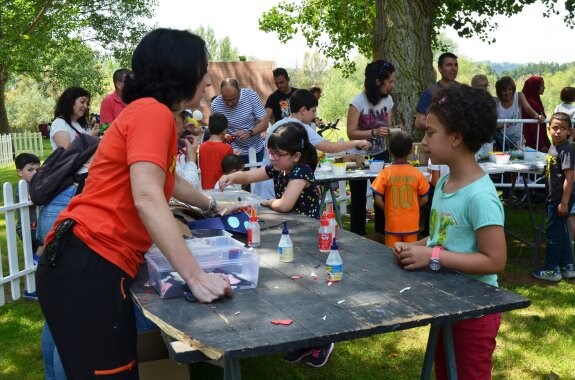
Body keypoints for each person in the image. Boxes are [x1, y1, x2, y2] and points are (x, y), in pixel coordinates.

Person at [36, 29, 235, 379]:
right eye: (203, 69)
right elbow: (146, 195)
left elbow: (165, 182)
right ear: (181, 71)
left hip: (79, 261)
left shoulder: (152, 114)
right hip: (89, 265)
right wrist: (196, 277)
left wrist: (210, 205)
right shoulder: (152, 114)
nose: (207, 80)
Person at [394, 85, 507, 380]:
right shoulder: (444, 185)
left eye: (431, 133)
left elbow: (494, 261)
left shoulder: (480, 197)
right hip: (446, 302)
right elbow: (442, 238)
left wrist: (432, 255)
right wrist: (415, 248)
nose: (424, 141)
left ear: (456, 137)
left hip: (475, 312)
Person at [218, 122, 334, 367]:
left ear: (296, 156)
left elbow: (285, 205)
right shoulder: (279, 167)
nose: (272, 158)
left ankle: (323, 338)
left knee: (312, 289)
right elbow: (250, 175)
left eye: (277, 154)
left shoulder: (301, 172)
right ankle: (303, 338)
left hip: (311, 237)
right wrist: (232, 177)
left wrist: (264, 201)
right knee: (296, 288)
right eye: (270, 153)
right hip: (291, 235)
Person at [254, 89, 370, 199]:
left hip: (264, 183)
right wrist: (357, 142)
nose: (314, 115)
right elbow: (330, 147)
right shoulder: (300, 128)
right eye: (313, 111)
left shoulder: (278, 124)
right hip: (275, 186)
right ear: (303, 110)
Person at [346, 59, 397, 236]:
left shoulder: (388, 100)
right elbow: (351, 133)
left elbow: (388, 127)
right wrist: (373, 132)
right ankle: (357, 236)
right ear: (378, 82)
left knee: (382, 195)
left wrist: (395, 131)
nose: (392, 85)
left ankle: (383, 234)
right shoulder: (357, 102)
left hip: (380, 153)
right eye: (389, 81)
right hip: (359, 156)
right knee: (358, 198)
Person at [532, 112, 575, 281]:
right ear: (549, 128)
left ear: (569, 131)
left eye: (562, 129)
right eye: (555, 128)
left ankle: (551, 270)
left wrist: (564, 202)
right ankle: (567, 266)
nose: (558, 132)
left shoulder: (567, 150)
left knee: (553, 234)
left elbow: (570, 177)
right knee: (561, 232)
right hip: (554, 197)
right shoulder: (554, 147)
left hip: (560, 199)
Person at [370, 132, 429, 247]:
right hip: (411, 223)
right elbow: (425, 198)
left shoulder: (385, 173)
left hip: (392, 224)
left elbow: (377, 199)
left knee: (391, 255)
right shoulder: (417, 173)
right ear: (411, 151)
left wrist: (387, 208)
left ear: (390, 151)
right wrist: (414, 206)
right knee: (411, 253)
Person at [211, 78, 269, 164]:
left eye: (233, 99)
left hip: (255, 149)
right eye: (226, 100)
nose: (230, 104)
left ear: (239, 91)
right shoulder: (216, 104)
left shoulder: (251, 96)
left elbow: (264, 122)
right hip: (233, 151)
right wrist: (225, 136)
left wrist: (249, 133)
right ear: (221, 93)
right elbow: (216, 131)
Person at [15, 153, 43, 300]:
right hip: (28, 227)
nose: (35, 173)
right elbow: (34, 198)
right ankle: (29, 288)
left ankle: (34, 286)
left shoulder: (35, 184)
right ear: (20, 172)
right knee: (46, 237)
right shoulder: (22, 187)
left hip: (35, 226)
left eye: (38, 170)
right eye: (30, 170)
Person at [494, 76, 544, 151]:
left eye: (509, 89)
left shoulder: (519, 96)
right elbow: (491, 125)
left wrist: (537, 116)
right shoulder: (496, 101)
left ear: (513, 89)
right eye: (504, 90)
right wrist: (502, 125)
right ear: (499, 91)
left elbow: (528, 108)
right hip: (500, 143)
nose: (507, 93)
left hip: (517, 143)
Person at [414, 52, 460, 130]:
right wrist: (443, 128)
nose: (453, 68)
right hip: (438, 140)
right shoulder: (430, 92)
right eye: (449, 65)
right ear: (440, 68)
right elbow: (419, 122)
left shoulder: (463, 91)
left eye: (455, 65)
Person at [198, 113, 235, 189]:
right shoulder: (227, 148)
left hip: (206, 188)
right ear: (224, 130)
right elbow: (231, 171)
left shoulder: (202, 147)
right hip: (221, 187)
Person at [521, 76, 549, 152]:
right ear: (534, 87)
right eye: (542, 85)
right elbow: (533, 127)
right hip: (533, 144)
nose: (544, 88)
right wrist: (541, 145)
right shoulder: (530, 103)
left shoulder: (535, 100)